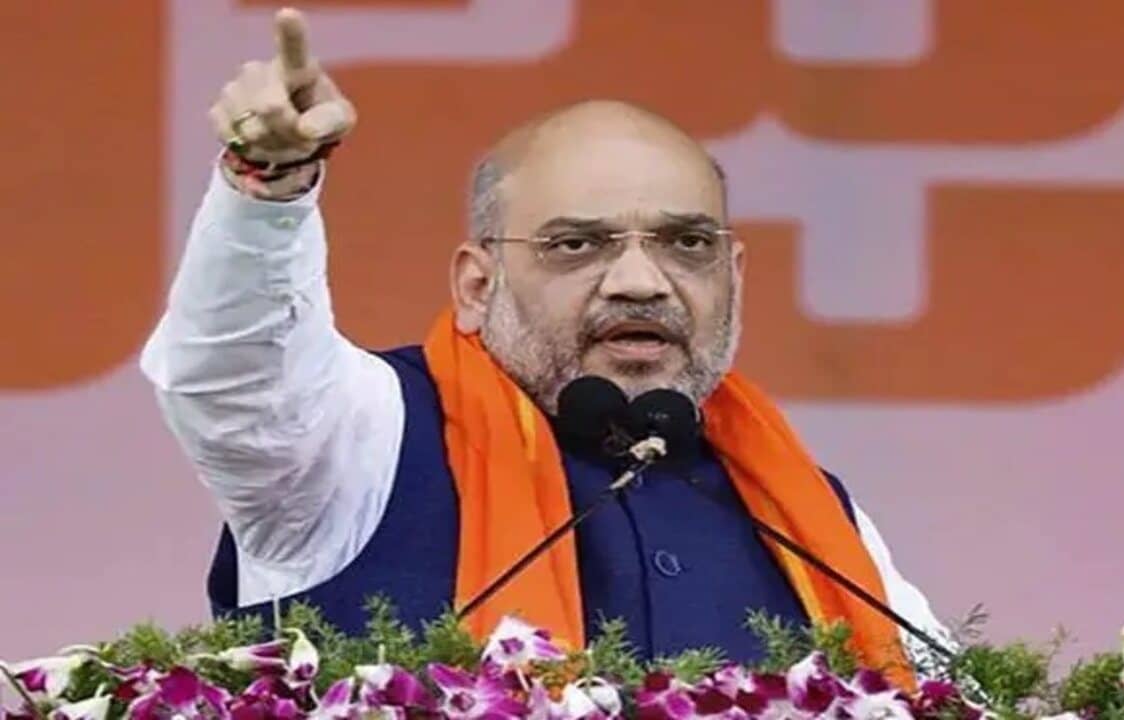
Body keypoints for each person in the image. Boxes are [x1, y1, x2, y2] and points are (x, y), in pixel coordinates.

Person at [141, 7, 948, 681]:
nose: (641, 281)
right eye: (577, 245)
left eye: (688, 243)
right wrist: (268, 186)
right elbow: (231, 376)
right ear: (476, 285)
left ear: (733, 274)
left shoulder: (813, 514)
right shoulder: (367, 437)